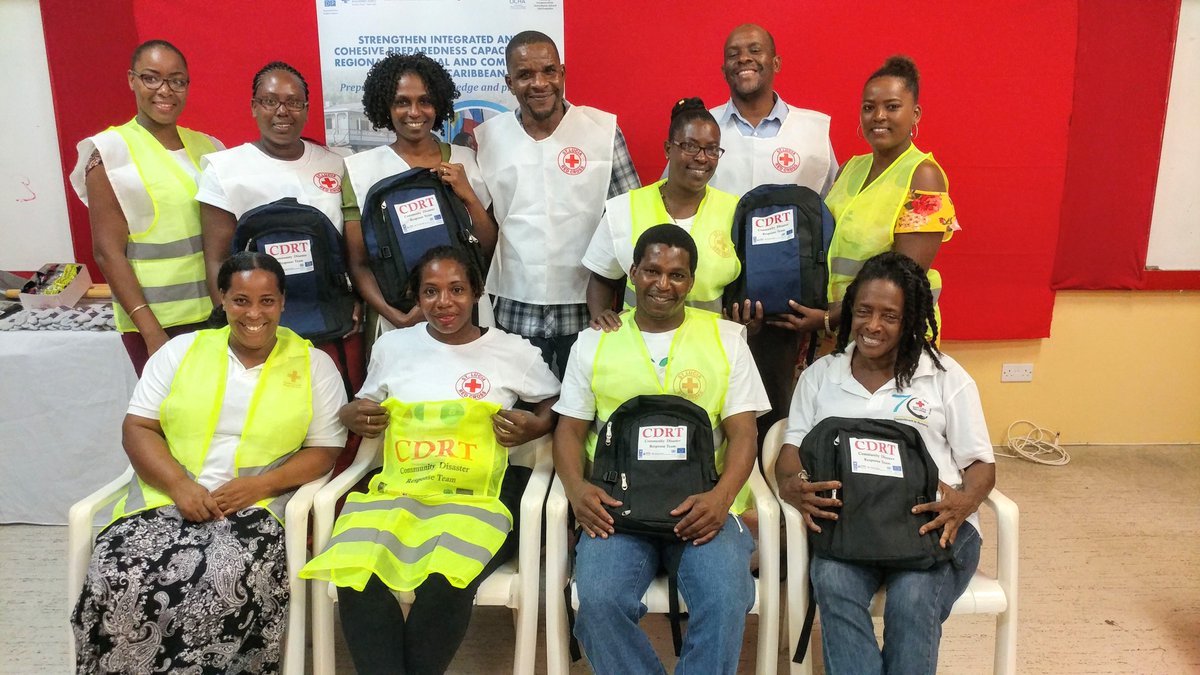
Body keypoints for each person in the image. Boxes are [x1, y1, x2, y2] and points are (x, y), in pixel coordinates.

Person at [71, 251, 348, 674]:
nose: (253, 313)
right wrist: (179, 486)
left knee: (219, 581)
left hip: (255, 511)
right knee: (120, 570)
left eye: (266, 301)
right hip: (165, 501)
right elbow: (138, 428)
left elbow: (325, 450)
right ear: (222, 299)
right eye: (241, 300)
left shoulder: (314, 365)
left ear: (282, 302)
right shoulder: (181, 351)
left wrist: (261, 486)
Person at [300, 246, 560, 675]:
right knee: (355, 575)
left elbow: (555, 403)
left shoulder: (513, 351)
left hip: (478, 498)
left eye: (457, 290)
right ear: (416, 296)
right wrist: (351, 414)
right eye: (430, 291)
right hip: (399, 491)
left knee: (447, 580)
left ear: (476, 292)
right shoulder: (394, 347)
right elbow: (364, 404)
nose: (444, 303)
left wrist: (537, 425)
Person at [554, 224, 770, 674]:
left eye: (677, 275)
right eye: (652, 271)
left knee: (726, 597)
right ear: (633, 273)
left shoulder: (728, 339)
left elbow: (744, 434)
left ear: (691, 281)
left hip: (703, 507)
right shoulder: (594, 341)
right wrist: (576, 490)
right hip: (616, 509)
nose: (663, 284)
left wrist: (721, 499)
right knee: (599, 602)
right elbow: (569, 431)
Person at [773, 252, 995, 675]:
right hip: (851, 525)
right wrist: (791, 484)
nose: (873, 326)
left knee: (913, 600)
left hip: (931, 524)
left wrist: (964, 503)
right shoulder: (821, 375)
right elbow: (791, 450)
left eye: (889, 316)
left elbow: (982, 466)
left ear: (910, 319)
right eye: (864, 311)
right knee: (833, 582)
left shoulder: (944, 377)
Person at [474, 30, 641, 374]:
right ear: (509, 83)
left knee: (585, 400)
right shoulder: (489, 138)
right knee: (517, 402)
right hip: (513, 308)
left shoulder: (602, 131)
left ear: (562, 73)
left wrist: (624, 301)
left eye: (549, 71)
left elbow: (629, 220)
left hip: (588, 308)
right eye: (525, 74)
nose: (539, 83)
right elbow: (482, 226)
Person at [196, 61, 363, 388]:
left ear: (307, 109)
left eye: (293, 102)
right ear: (254, 107)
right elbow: (216, 259)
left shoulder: (337, 163)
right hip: (259, 329)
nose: (282, 111)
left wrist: (355, 298)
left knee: (334, 407)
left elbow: (348, 246)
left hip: (332, 323)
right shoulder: (224, 169)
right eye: (270, 101)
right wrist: (235, 327)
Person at [770, 55, 961, 340]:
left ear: (915, 114)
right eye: (869, 107)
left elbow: (904, 279)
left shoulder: (924, 177)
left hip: (888, 335)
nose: (879, 116)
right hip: (839, 330)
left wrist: (828, 319)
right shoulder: (850, 168)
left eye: (892, 107)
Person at [70, 39, 224, 376]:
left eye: (177, 81)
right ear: (132, 80)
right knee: (172, 409)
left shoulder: (210, 147)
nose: (165, 90)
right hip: (157, 325)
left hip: (217, 315)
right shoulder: (110, 152)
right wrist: (151, 333)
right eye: (151, 78)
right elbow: (107, 253)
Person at [341, 52, 497, 333]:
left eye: (425, 101)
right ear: (385, 106)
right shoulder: (360, 170)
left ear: (438, 104)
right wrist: (396, 316)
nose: (414, 112)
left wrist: (468, 196)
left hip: (467, 315)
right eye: (402, 102)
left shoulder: (465, 159)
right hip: (396, 320)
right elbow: (359, 264)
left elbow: (486, 248)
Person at [584, 97, 743, 328]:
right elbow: (601, 277)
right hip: (638, 342)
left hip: (707, 343)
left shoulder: (735, 211)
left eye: (712, 149)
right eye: (690, 146)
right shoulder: (624, 208)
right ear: (668, 149)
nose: (701, 157)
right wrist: (601, 316)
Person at [705, 23, 837, 198]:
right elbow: (675, 196)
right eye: (733, 54)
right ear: (724, 71)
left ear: (776, 63)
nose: (743, 58)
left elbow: (834, 204)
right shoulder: (701, 127)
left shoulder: (813, 131)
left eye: (755, 50)